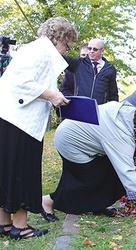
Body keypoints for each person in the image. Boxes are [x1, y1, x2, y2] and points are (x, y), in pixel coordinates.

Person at [0, 16, 78, 239]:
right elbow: (20, 82)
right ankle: (20, 226)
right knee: (22, 172)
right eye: (66, 45)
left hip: (10, 118)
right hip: (21, 121)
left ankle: (4, 223)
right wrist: (52, 95)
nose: (66, 50)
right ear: (56, 38)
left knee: (7, 171)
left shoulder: (35, 49)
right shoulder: (41, 51)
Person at [41, 101, 136, 221]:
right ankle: (48, 201)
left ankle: (97, 205)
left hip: (82, 138)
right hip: (70, 142)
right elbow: (127, 172)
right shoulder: (120, 134)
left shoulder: (132, 116)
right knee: (90, 181)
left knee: (106, 176)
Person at [62, 38, 118, 104]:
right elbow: (61, 58)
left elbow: (113, 94)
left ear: (102, 51)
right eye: (89, 48)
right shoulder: (79, 63)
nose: (91, 51)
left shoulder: (109, 69)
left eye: (95, 49)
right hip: (80, 107)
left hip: (99, 110)